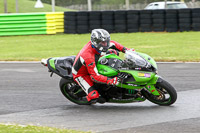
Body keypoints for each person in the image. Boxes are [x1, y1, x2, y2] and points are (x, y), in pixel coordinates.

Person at [72, 29, 133, 103]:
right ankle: (87, 98)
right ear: (96, 42)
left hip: (96, 59)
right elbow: (95, 77)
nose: (106, 44)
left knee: (114, 52)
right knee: (94, 96)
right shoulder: (88, 56)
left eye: (106, 41)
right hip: (81, 74)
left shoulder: (98, 45)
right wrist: (110, 80)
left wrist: (126, 50)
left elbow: (113, 44)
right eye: (103, 43)